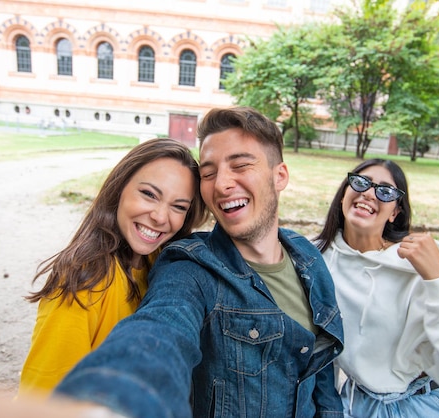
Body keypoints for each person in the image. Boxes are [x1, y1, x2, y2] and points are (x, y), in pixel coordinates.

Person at [51, 106, 345, 418]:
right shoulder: (190, 271)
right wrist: (117, 401)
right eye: (208, 173)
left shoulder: (308, 257)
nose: (220, 184)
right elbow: (159, 334)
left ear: (279, 176)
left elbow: (322, 374)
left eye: (241, 165)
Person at [18, 138, 208, 398]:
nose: (161, 217)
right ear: (119, 188)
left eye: (178, 207)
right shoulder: (83, 281)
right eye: (149, 194)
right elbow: (44, 400)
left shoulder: (160, 261)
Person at [314, 158, 439, 417]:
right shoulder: (314, 259)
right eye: (360, 182)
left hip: (426, 404)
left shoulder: (414, 264)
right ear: (344, 193)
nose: (369, 193)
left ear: (395, 212)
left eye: (385, 191)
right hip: (358, 403)